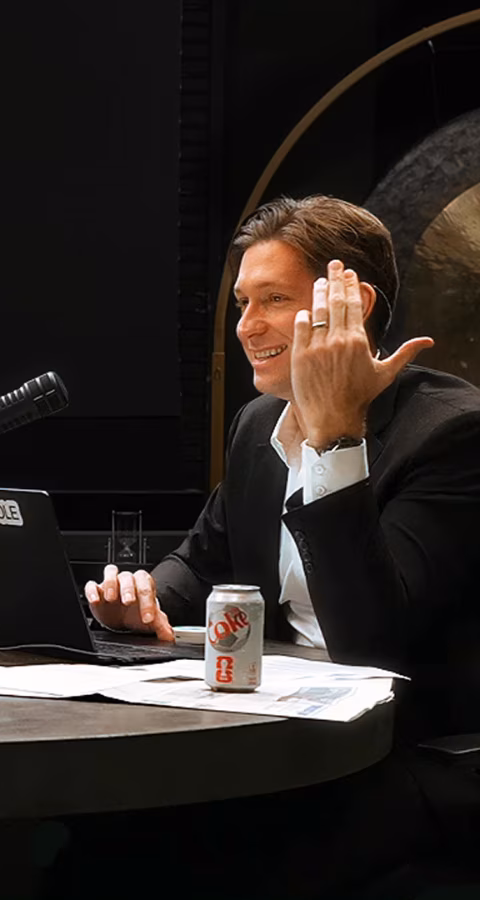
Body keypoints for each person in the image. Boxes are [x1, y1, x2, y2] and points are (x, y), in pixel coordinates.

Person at [63, 196, 480, 895]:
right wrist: (143, 597)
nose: (247, 326)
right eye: (242, 304)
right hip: (287, 731)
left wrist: (336, 435)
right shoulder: (259, 425)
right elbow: (200, 560)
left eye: (274, 300)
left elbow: (370, 641)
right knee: (99, 830)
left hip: (412, 751)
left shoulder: (455, 434)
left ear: (350, 306)